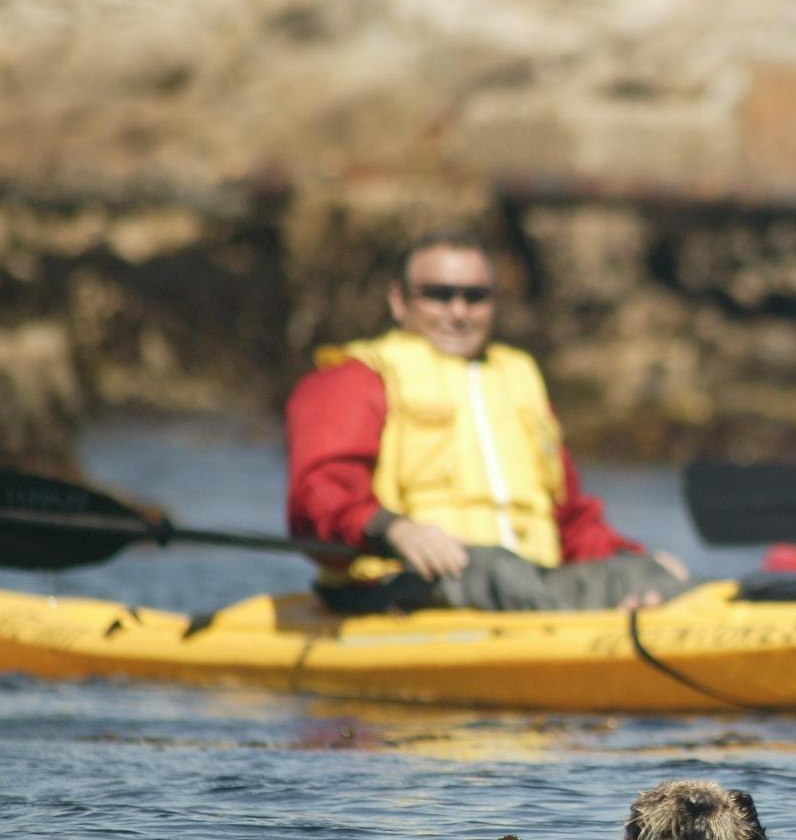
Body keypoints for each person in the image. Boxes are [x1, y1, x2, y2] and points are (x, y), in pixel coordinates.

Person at [286, 231, 686, 612]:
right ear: (399, 300)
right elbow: (318, 496)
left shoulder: (518, 378)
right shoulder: (355, 380)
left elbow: (571, 518)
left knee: (647, 575)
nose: (458, 312)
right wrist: (393, 530)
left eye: (475, 297)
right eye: (438, 295)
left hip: (530, 583)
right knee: (501, 571)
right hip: (406, 583)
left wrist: (630, 564)